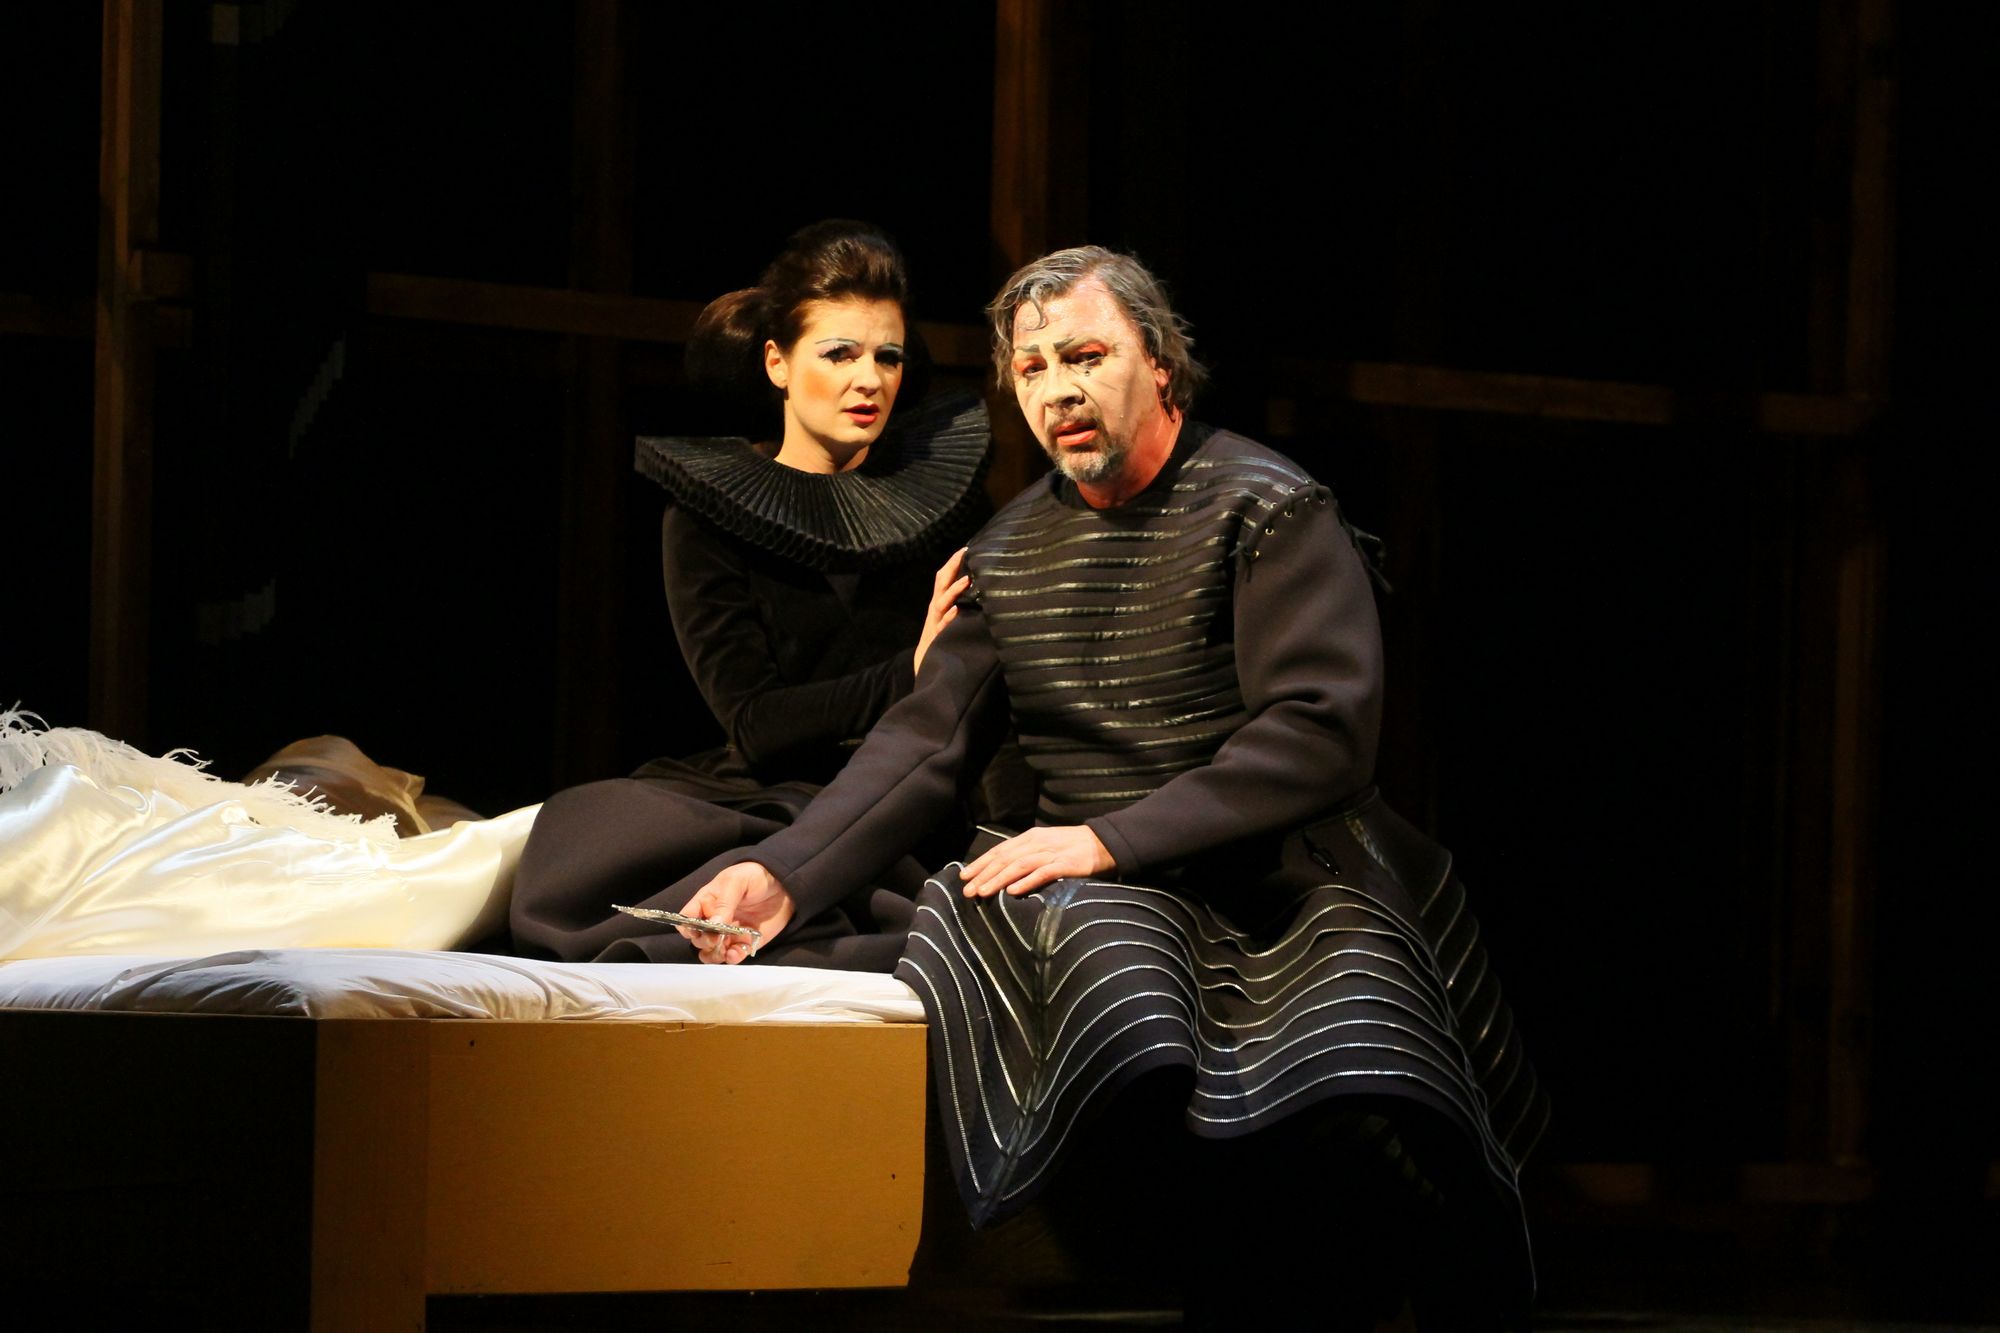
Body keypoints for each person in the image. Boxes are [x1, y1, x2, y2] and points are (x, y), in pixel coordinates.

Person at [660, 245, 1548, 1327]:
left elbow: (1316, 733)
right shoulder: (1007, 550)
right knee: (1095, 972)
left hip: (1282, 877)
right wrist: (784, 873)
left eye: (1086, 356)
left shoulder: (1268, 507)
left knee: (1363, 1068)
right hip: (1112, 894)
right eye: (1032, 369)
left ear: (1160, 364)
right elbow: (921, 741)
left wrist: (1106, 838)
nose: (1058, 390)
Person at [508, 220, 1016, 970]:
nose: (869, 379)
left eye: (888, 356)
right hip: (773, 788)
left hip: (904, 793)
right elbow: (757, 724)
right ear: (777, 362)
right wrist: (910, 670)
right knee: (590, 826)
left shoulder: (950, 506)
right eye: (839, 354)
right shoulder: (706, 517)